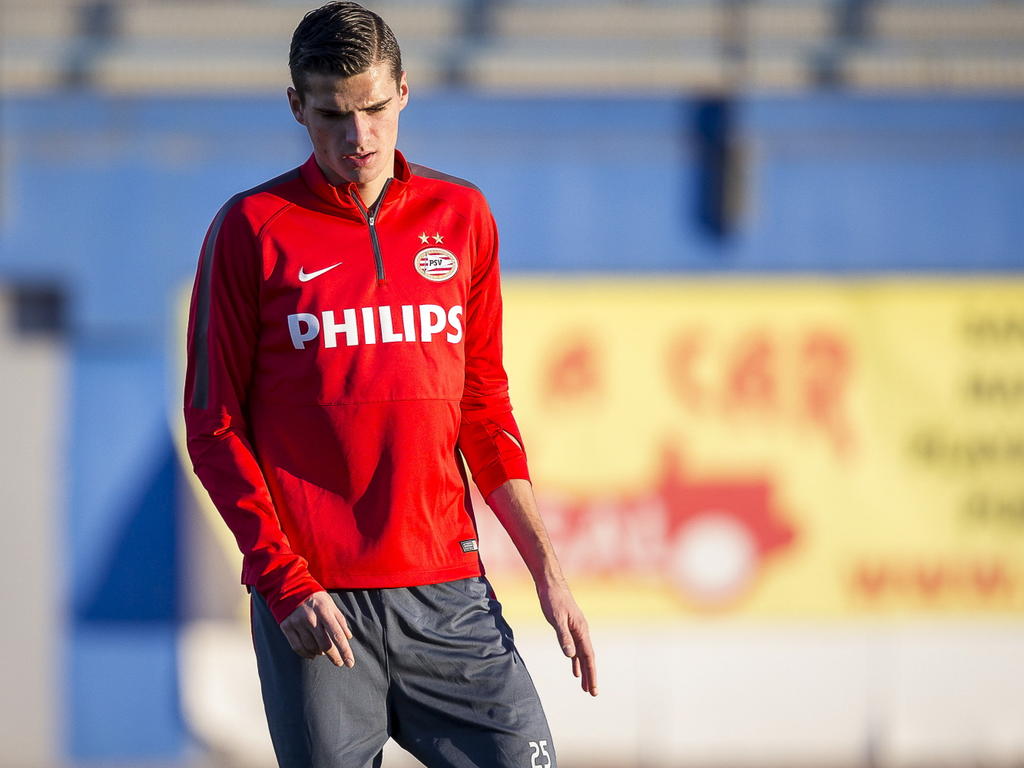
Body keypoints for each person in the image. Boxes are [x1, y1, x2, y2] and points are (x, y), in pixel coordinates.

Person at [182, 2, 596, 766]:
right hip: (316, 605)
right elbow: (213, 426)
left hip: (449, 594)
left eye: (374, 107)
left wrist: (549, 572)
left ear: (404, 90)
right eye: (333, 114)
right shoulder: (251, 229)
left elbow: (483, 410)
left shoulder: (462, 215)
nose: (359, 136)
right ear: (296, 108)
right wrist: (282, 581)